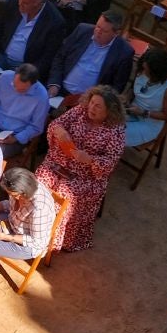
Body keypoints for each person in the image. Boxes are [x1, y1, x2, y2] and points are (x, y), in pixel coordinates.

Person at [35, 86, 128, 251]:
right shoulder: (80, 111)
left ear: (109, 111)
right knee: (38, 182)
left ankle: (53, 240)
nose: (92, 108)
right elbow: (57, 123)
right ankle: (32, 227)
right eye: (92, 103)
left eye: (98, 106)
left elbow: (110, 163)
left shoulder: (116, 132)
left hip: (86, 176)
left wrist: (90, 159)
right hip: (59, 162)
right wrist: (59, 130)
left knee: (64, 194)